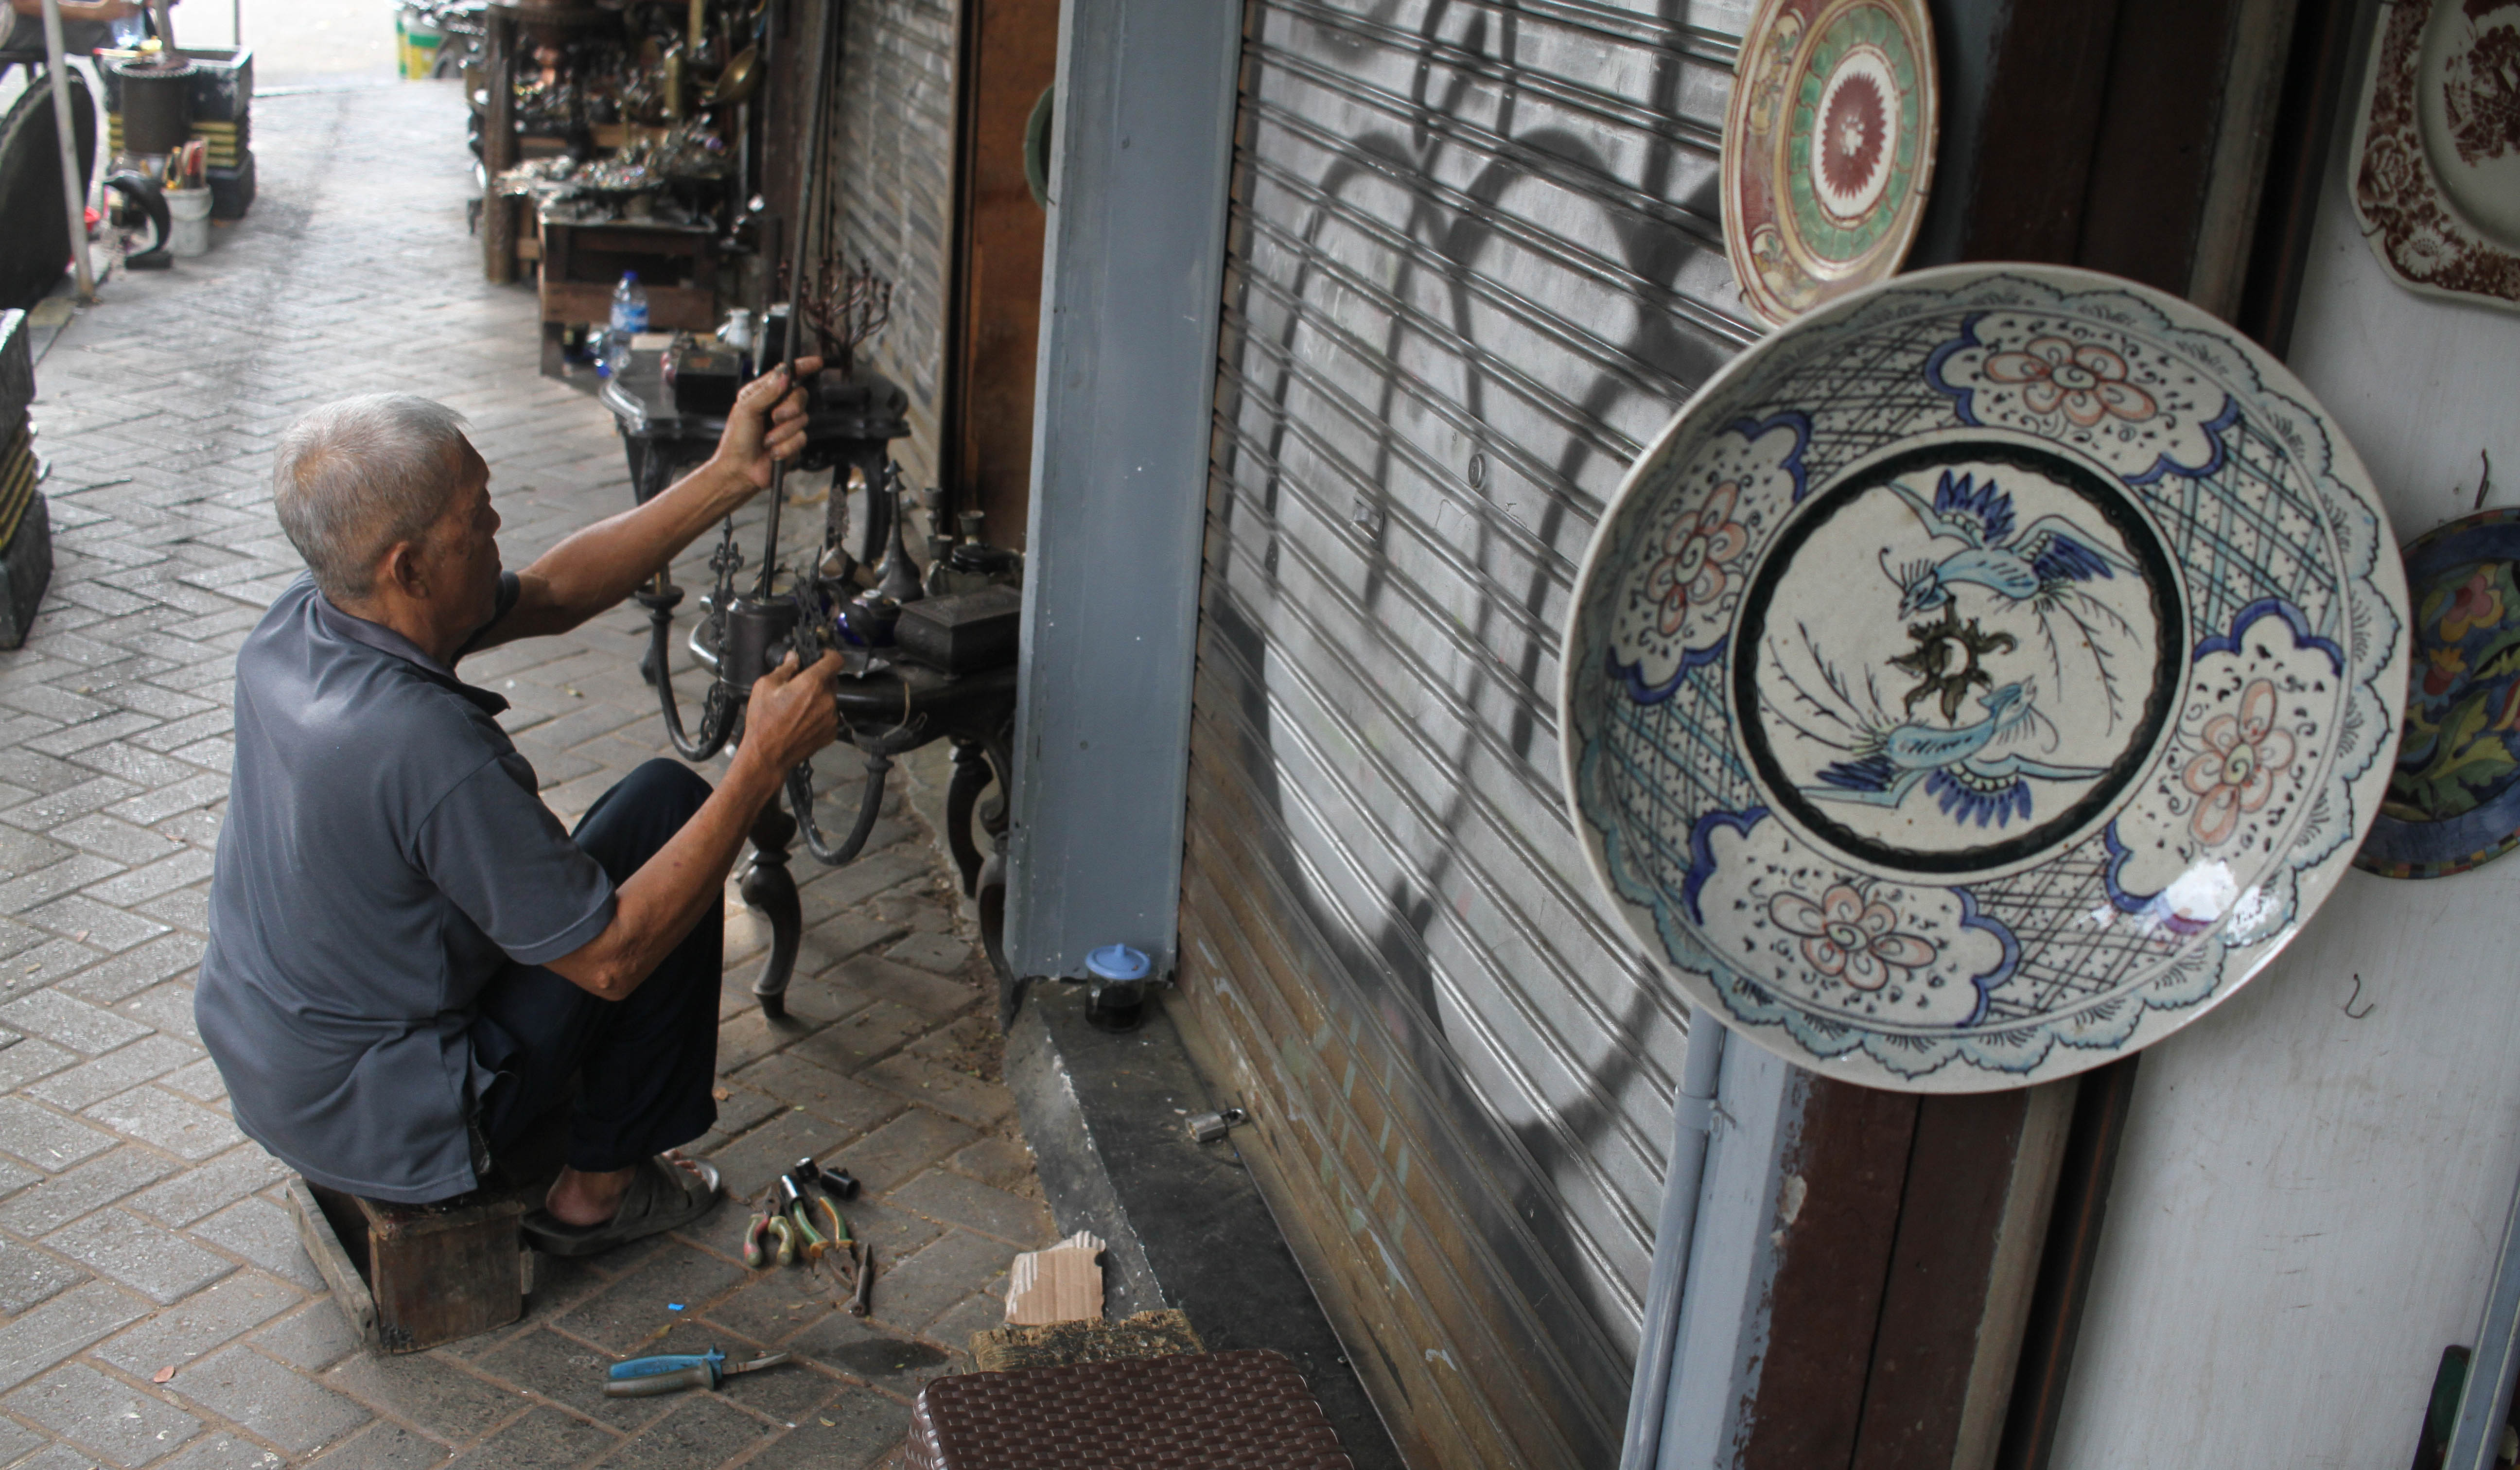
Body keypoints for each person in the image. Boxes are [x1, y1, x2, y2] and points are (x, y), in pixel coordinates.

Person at [195, 357, 841, 1256]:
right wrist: (760, 761)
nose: (499, 525)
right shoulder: (420, 746)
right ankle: (598, 1192)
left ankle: (558, 1124)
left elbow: (556, 592)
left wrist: (731, 473)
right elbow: (615, 962)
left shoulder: (303, 621)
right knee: (678, 843)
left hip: (283, 1067)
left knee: (658, 803)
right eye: (477, 517)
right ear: (409, 567)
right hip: (387, 1113)